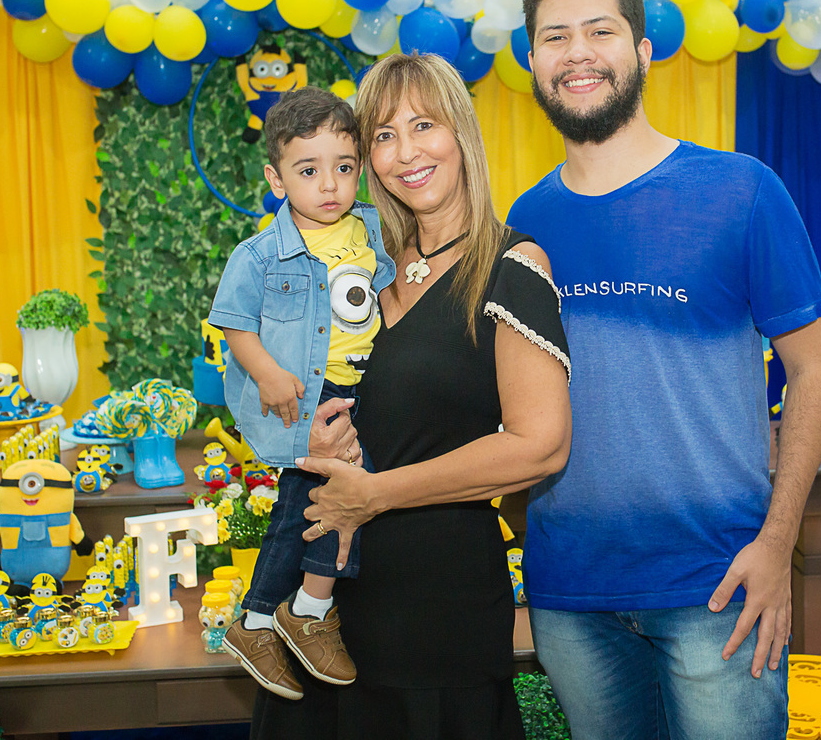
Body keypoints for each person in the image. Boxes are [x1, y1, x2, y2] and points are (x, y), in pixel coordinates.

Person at [505, 0, 821, 738]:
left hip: (717, 585)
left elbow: (815, 371)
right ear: (533, 63)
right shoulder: (525, 222)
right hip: (570, 596)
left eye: (600, 31)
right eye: (555, 37)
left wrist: (778, 544)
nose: (578, 52)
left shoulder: (742, 190)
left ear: (643, 51)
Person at [249, 52, 573, 740]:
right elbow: (285, 384)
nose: (405, 153)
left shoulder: (512, 266)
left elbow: (540, 446)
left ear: (461, 134)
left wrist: (376, 494)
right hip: (319, 609)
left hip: (435, 610)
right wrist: (308, 432)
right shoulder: (359, 264)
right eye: (384, 136)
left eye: (424, 126)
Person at [208, 86, 396, 700]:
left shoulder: (371, 229)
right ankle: (300, 612)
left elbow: (394, 291)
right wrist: (266, 372)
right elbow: (234, 323)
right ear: (277, 178)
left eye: (344, 167)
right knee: (318, 501)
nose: (330, 185)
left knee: (322, 502)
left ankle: (266, 620)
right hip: (307, 394)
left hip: (364, 388)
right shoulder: (261, 254)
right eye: (309, 171)